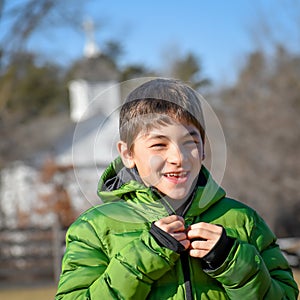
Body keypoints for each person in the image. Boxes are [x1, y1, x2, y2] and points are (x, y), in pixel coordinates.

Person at [55, 78, 299, 299]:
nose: (178, 158)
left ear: (203, 148)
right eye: (159, 144)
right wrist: (144, 256)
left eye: (189, 142)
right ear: (128, 154)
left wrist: (234, 261)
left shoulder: (245, 221)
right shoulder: (94, 229)